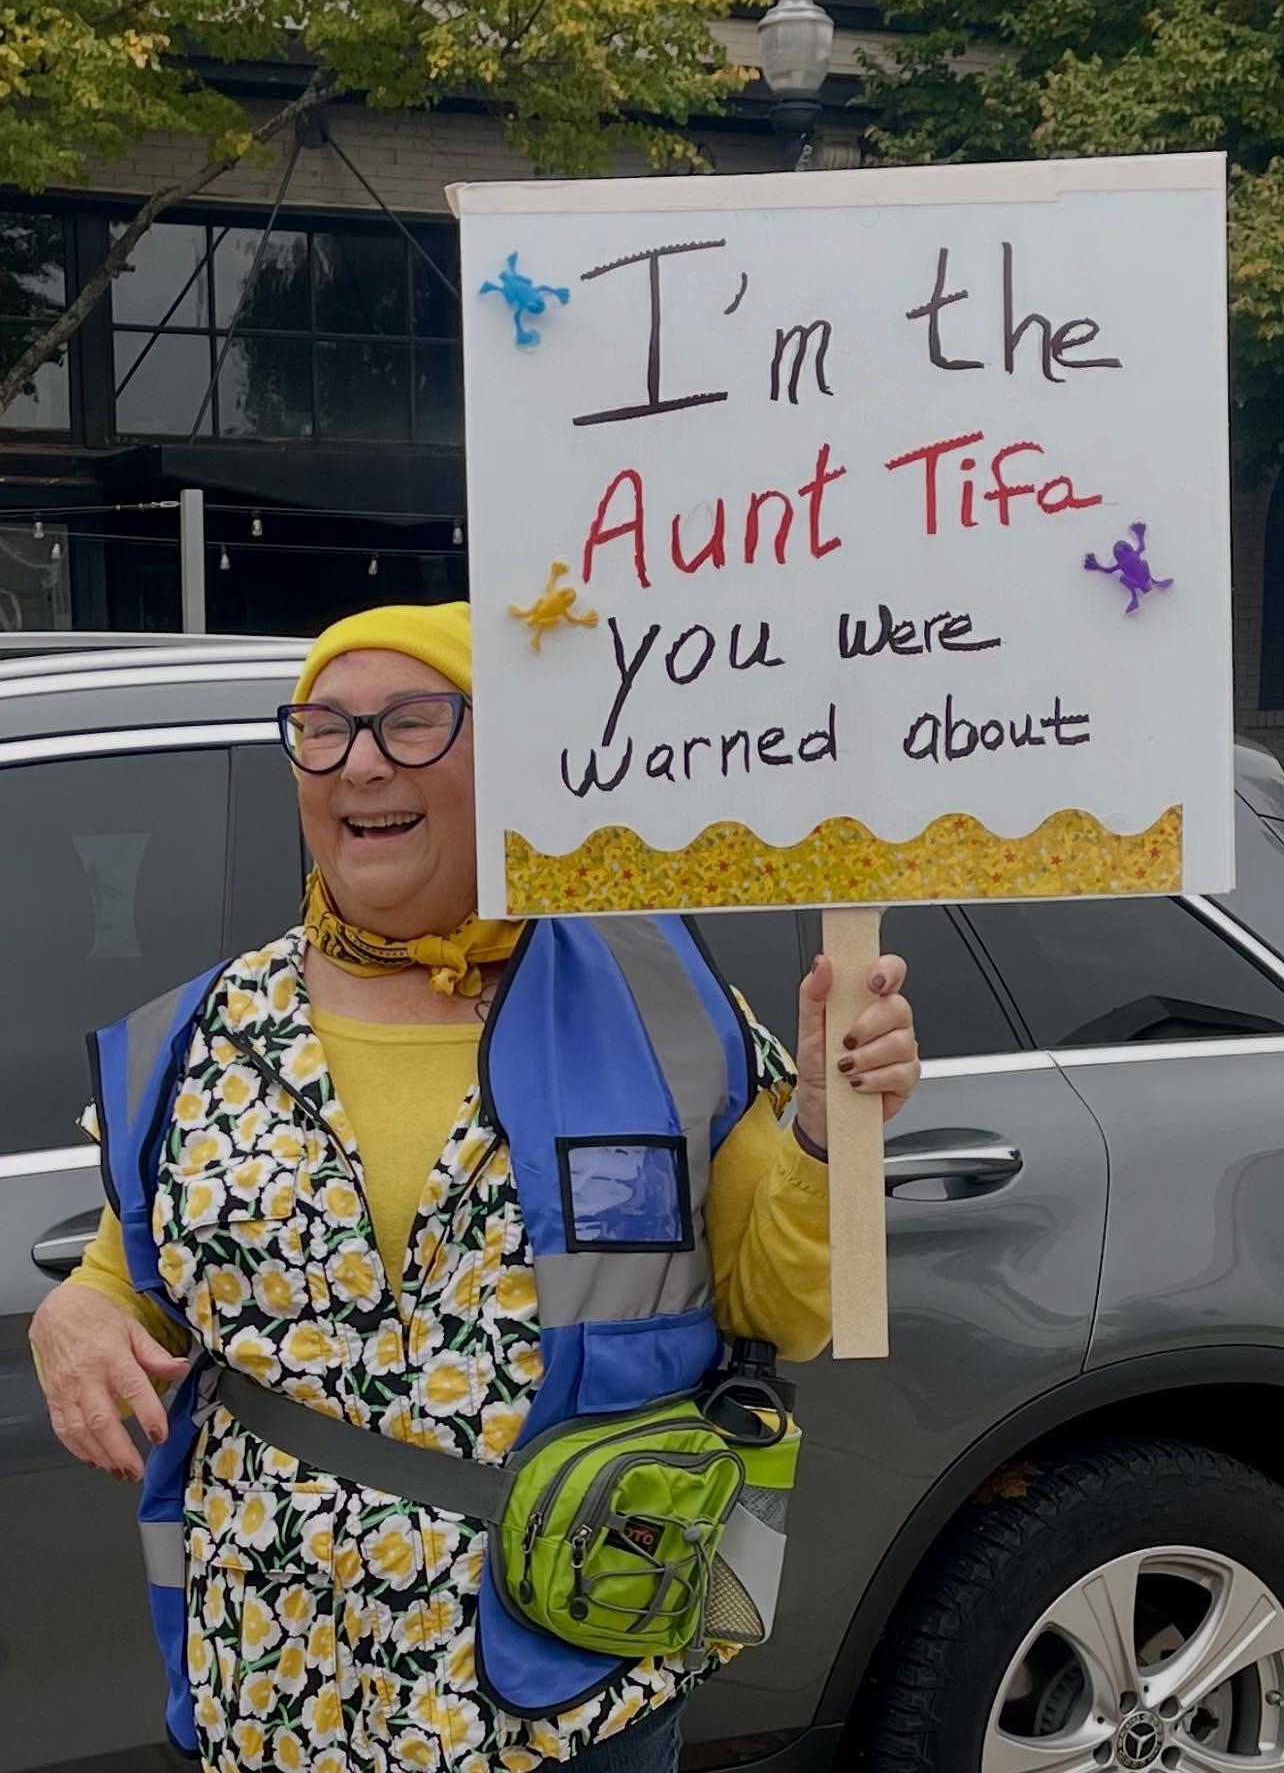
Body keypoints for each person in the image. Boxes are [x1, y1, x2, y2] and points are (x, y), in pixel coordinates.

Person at [30, 600, 920, 1773]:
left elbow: (784, 1310)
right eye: (326, 728)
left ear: (508, 755)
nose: (360, 764)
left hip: (574, 1674)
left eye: (412, 724)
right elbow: (129, 1278)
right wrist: (76, 1313)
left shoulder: (660, 1007)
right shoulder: (197, 1036)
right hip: (284, 1680)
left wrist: (823, 1128)